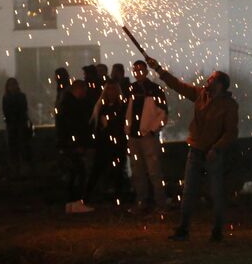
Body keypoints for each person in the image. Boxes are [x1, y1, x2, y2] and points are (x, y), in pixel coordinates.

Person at [146, 56, 238, 242]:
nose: (207, 81)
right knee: (188, 191)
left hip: (214, 154)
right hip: (196, 150)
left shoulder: (229, 105)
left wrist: (216, 148)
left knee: (216, 192)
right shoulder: (200, 95)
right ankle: (183, 229)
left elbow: (231, 132)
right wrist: (159, 69)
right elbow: (176, 85)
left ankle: (217, 230)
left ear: (220, 84)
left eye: (211, 79)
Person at [125, 60, 168, 213]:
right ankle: (145, 201)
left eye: (140, 69)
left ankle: (158, 203)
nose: (137, 72)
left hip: (146, 136)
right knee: (140, 171)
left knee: (152, 171)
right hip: (137, 135)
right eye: (135, 70)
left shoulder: (154, 90)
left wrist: (152, 130)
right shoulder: (134, 89)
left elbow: (163, 114)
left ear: (145, 71)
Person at [83, 81, 128, 207]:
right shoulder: (101, 106)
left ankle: (117, 197)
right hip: (104, 144)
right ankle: (87, 197)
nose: (111, 92)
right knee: (97, 170)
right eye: (109, 90)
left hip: (118, 143)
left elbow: (122, 125)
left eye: (113, 90)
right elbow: (96, 127)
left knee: (118, 171)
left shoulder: (121, 106)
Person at [56, 80, 95, 214]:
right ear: (79, 89)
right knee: (79, 173)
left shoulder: (65, 103)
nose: (85, 93)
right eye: (84, 90)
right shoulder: (72, 105)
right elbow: (74, 126)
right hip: (72, 144)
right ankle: (77, 202)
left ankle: (70, 204)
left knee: (73, 174)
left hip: (67, 144)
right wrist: (77, 143)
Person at [2, 78, 32, 176]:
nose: (12, 87)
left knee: (18, 147)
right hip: (15, 125)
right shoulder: (18, 97)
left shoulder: (8, 98)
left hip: (17, 125)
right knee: (15, 148)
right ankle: (17, 169)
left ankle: (19, 169)